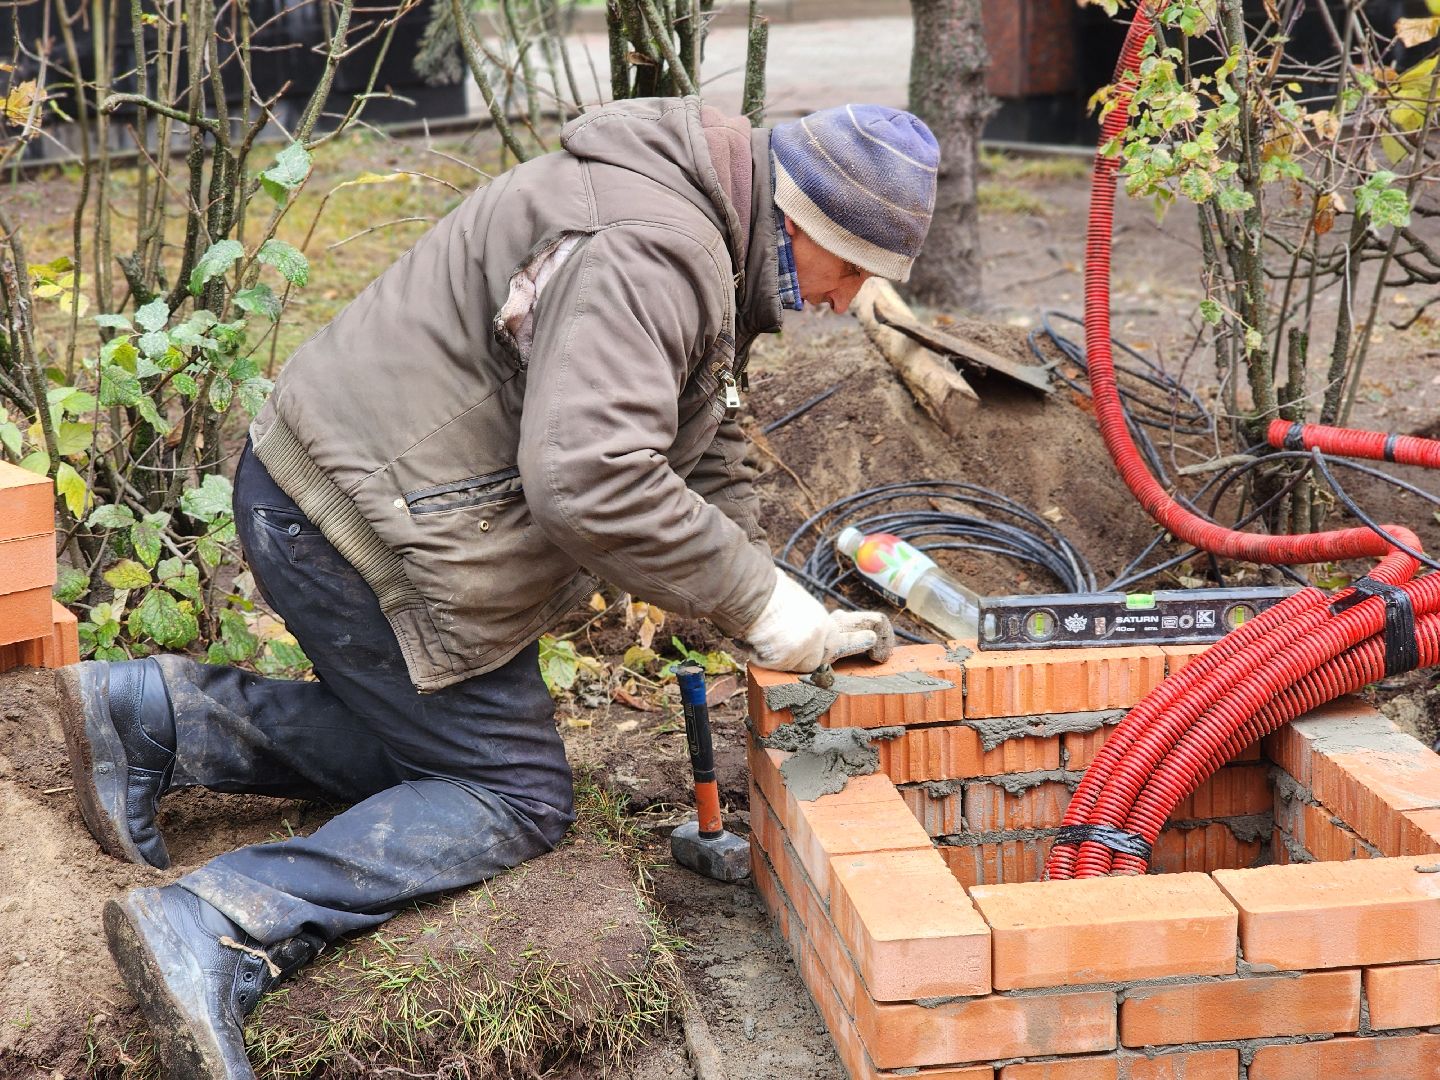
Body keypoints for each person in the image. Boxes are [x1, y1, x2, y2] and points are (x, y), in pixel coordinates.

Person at [58, 96, 939, 1078]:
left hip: (359, 492)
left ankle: (156, 719)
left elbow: (704, 427)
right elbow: (590, 478)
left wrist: (767, 590)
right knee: (512, 792)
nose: (847, 296)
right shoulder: (649, 248)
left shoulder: (697, 233)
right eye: (854, 268)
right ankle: (217, 922)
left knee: (454, 752)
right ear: (803, 222)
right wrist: (762, 603)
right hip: (352, 525)